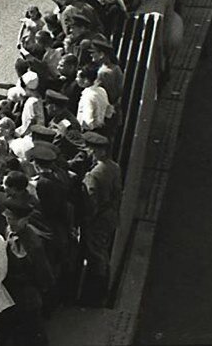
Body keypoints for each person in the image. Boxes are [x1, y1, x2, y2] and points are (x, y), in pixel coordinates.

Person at [78, 131, 121, 306]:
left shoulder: (93, 175)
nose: (88, 152)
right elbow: (117, 192)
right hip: (110, 216)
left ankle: (95, 296)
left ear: (98, 151)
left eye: (90, 149)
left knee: (96, 255)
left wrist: (86, 221)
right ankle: (102, 290)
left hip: (97, 220)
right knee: (102, 252)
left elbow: (90, 203)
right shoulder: (114, 167)